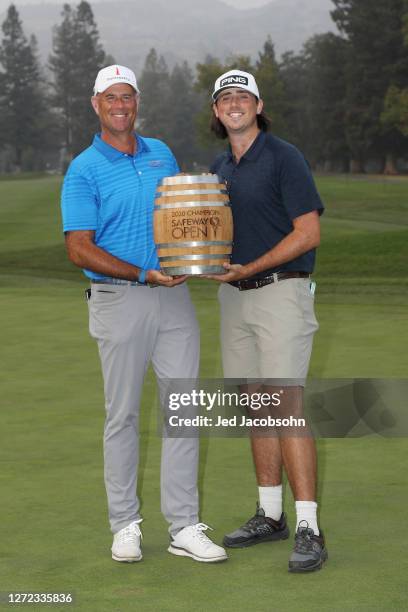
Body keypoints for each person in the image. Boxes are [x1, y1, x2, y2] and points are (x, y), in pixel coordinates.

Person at [60, 64, 227, 564]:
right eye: (110, 97)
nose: (120, 105)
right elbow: (78, 248)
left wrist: (198, 256)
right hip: (119, 299)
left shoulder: (162, 154)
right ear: (96, 104)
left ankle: (183, 525)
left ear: (137, 102)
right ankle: (125, 525)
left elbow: (178, 220)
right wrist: (140, 274)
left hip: (174, 298)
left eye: (127, 96)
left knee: (184, 410)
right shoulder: (83, 168)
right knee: (123, 416)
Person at [207, 69, 327, 572]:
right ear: (217, 112)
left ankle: (308, 526)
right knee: (257, 408)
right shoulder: (219, 167)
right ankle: (271, 514)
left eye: (243, 97)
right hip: (233, 299)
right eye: (225, 98)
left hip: (281, 293)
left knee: (286, 408)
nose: (235, 104)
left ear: (258, 106)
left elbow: (308, 232)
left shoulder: (284, 157)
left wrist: (251, 267)